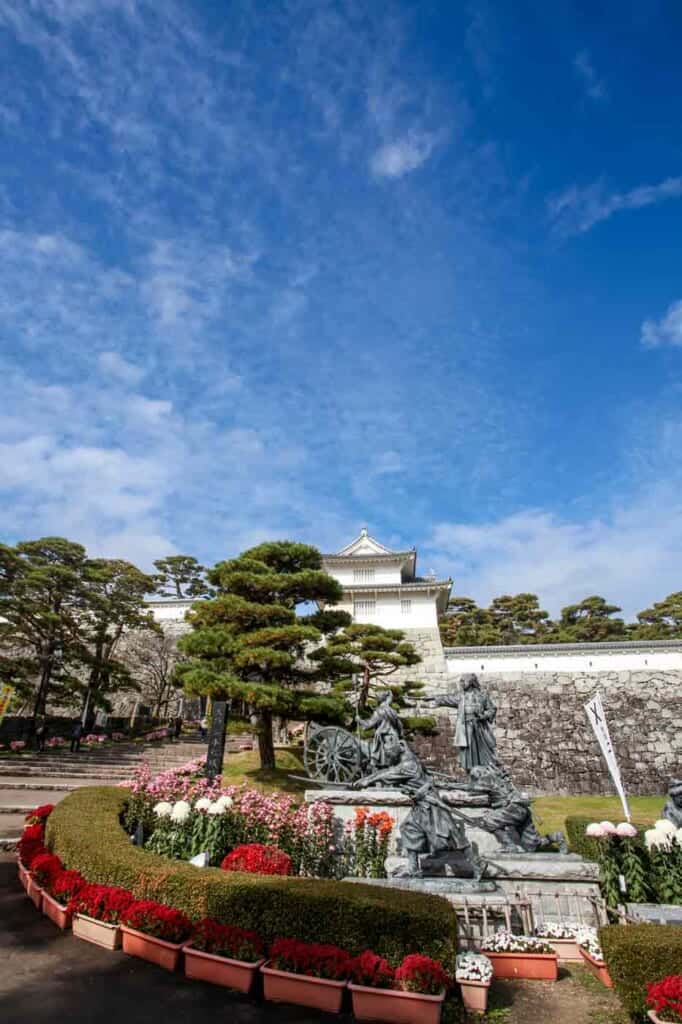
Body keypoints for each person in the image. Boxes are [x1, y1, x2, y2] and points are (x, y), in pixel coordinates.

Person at [352, 733, 484, 879]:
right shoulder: (408, 761)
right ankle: (413, 868)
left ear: (401, 746)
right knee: (409, 828)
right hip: (421, 804)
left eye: (389, 751)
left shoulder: (409, 764)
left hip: (430, 804)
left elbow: (390, 773)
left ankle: (477, 863)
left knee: (449, 835)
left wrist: (367, 780)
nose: (387, 755)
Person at [423, 674, 497, 773]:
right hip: (465, 729)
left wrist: (483, 716)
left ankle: (488, 770)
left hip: (479, 727)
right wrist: (433, 698)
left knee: (485, 751)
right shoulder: (461, 696)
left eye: (463, 681)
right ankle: (472, 772)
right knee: (467, 753)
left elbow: (492, 709)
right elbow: (447, 698)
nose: (461, 684)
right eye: (460, 681)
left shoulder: (482, 696)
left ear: (470, 682)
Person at [357, 690, 404, 770]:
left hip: (383, 740)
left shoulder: (379, 712)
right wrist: (400, 736)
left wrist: (359, 720)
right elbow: (400, 727)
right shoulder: (393, 712)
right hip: (394, 739)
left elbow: (369, 725)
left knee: (380, 761)